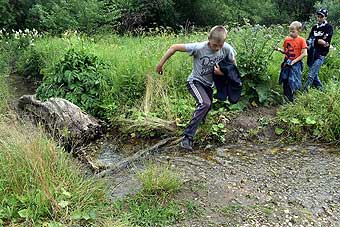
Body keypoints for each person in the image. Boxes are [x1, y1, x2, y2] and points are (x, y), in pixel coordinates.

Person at [156, 25, 236, 150]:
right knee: (205, 103)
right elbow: (174, 47)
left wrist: (224, 73)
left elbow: (233, 65)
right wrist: (160, 64)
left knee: (207, 106)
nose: (217, 48)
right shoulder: (199, 47)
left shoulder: (226, 49)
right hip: (195, 82)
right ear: (209, 39)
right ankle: (187, 138)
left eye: (220, 46)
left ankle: (200, 123)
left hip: (209, 84)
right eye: (214, 45)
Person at [274, 21, 307, 102]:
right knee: (284, 78)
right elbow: (286, 51)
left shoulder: (301, 40)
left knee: (293, 80)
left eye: (293, 31)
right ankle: (286, 97)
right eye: (290, 31)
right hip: (287, 61)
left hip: (296, 63)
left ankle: (292, 98)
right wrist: (278, 49)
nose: (291, 33)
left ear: (299, 31)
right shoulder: (287, 40)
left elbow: (304, 54)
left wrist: (294, 61)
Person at [303, 8, 333, 91]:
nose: (319, 18)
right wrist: (316, 40)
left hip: (321, 54)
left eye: (321, 16)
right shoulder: (314, 27)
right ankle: (323, 91)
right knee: (314, 74)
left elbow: (324, 42)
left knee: (311, 75)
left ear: (325, 17)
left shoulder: (328, 27)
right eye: (318, 16)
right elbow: (309, 40)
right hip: (311, 52)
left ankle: (303, 92)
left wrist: (315, 40)